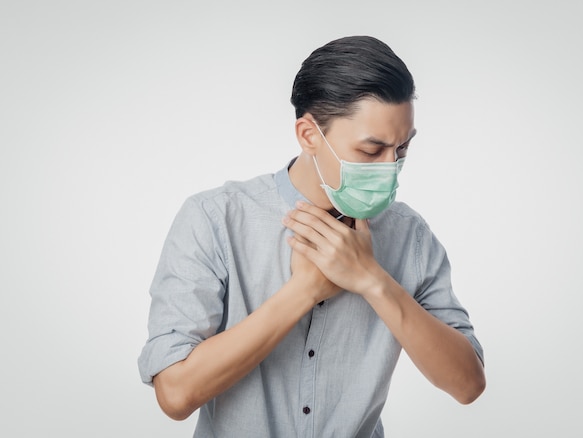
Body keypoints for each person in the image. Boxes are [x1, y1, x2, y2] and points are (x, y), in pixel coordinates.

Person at [138, 35, 485, 437]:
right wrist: (303, 290)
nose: (390, 167)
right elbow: (175, 395)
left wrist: (372, 280)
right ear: (308, 135)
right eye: (372, 151)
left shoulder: (411, 237)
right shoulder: (215, 219)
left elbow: (468, 384)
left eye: (402, 149)